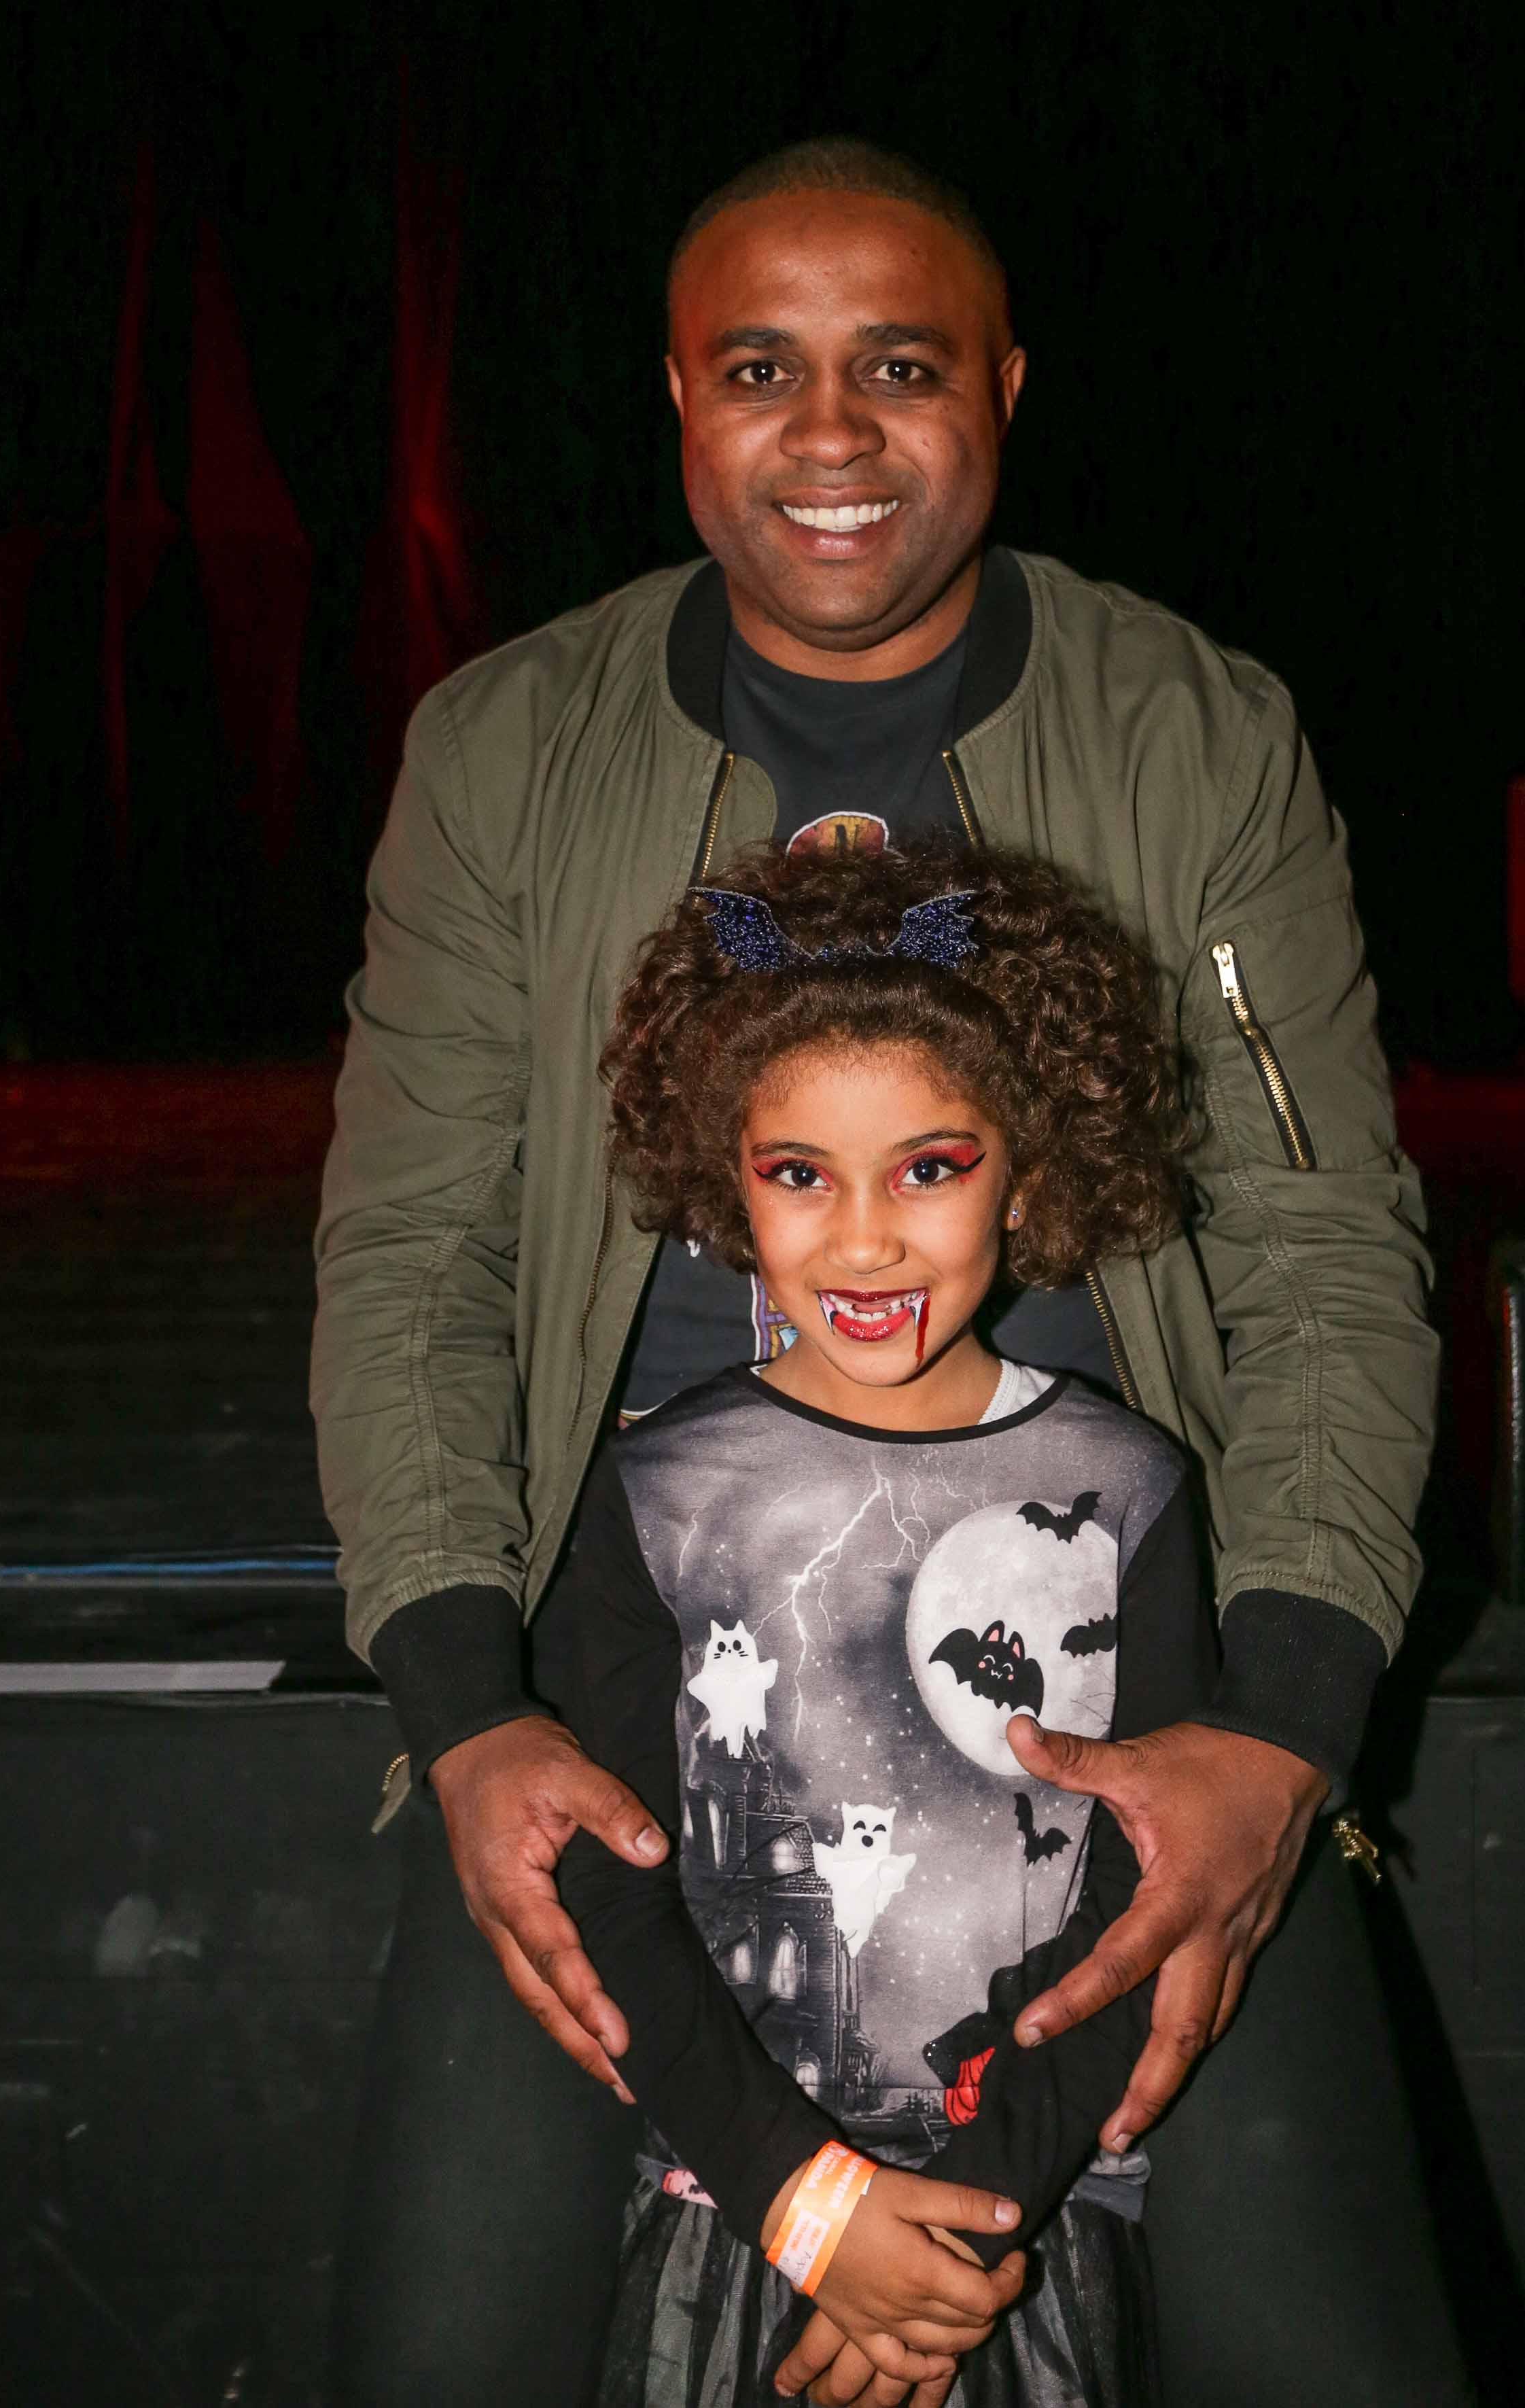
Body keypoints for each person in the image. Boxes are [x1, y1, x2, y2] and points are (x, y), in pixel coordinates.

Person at [316, 141, 1464, 2405]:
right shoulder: (509, 748)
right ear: (678, 395)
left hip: (1127, 1661)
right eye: (761, 369)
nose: (829, 432)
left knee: (1336, 2351)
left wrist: (1279, 1728)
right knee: (436, 2349)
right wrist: (467, 1709)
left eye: (901, 367)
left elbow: (1330, 1247)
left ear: (1003, 389)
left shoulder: (1190, 727)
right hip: (636, 1661)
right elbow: (413, 1248)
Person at [544, 833, 1208, 2408]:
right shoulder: (649, 1490)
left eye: (928, 1166)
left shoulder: (1128, 1488)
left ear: (1026, 1173)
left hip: (1025, 2224)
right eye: (799, 1173)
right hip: (732, 2212)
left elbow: (1148, 1893)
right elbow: (611, 1884)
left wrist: (964, 2224)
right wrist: (809, 2201)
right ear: (725, 1180)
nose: (860, 1238)